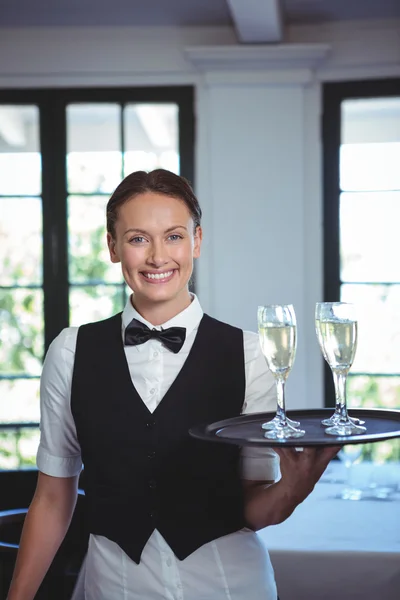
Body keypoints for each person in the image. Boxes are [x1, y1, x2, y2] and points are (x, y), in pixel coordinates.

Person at [7, 169, 339, 600]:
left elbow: (252, 506)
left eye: (174, 236)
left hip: (228, 586)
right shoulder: (70, 352)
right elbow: (53, 500)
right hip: (115, 588)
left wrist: (293, 489)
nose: (158, 256)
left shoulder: (251, 354)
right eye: (138, 238)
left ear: (197, 242)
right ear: (113, 247)